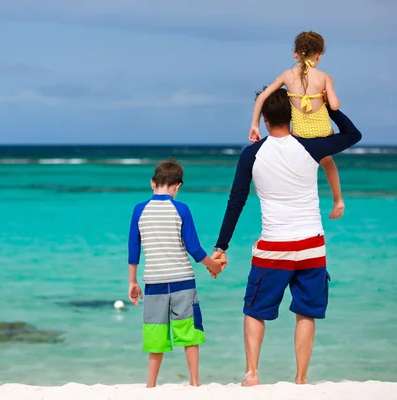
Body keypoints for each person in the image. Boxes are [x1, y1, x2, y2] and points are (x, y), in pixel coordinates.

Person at [213, 88, 361, 386]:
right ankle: (301, 378)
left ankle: (252, 373)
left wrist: (221, 246)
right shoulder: (312, 147)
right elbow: (352, 134)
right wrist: (324, 105)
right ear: (293, 115)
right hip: (311, 247)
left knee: (255, 310)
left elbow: (236, 201)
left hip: (274, 249)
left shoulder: (252, 154)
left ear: (264, 119)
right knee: (306, 312)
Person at [127, 158, 225, 388]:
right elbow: (194, 248)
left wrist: (132, 281)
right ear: (178, 185)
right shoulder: (181, 209)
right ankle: (194, 381)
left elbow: (134, 248)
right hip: (183, 282)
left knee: (155, 334)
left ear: (153, 183)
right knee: (189, 333)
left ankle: (150, 385)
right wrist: (213, 265)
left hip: (154, 283)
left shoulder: (139, 210)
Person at [248, 31, 345, 220]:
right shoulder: (324, 77)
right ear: (319, 55)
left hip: (299, 134)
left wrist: (255, 125)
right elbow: (334, 105)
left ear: (295, 54)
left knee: (290, 142)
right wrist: (328, 90)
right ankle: (337, 200)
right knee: (327, 162)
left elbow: (262, 97)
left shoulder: (287, 75)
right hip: (323, 132)